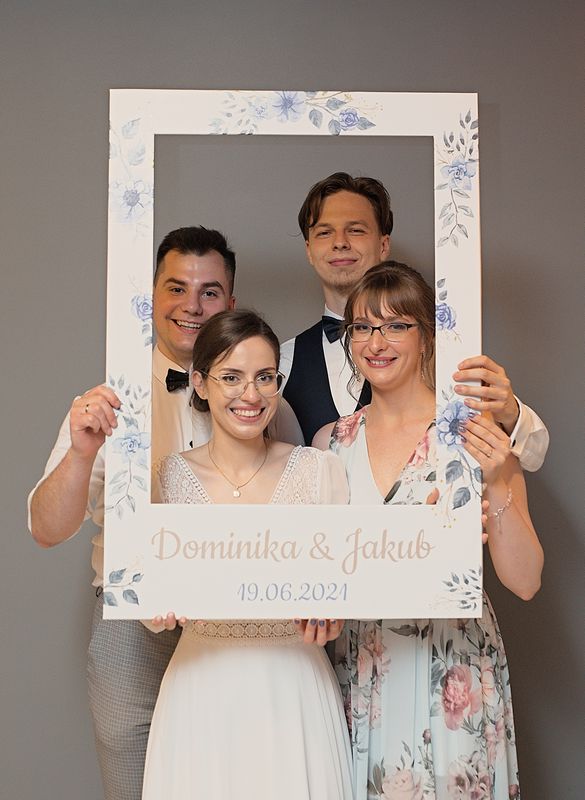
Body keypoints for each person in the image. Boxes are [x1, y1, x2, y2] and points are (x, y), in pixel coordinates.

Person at [27, 227, 303, 800]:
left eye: (209, 291)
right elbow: (46, 529)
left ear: (230, 301)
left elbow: (302, 513)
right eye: (176, 288)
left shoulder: (267, 404)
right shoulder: (107, 404)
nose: (191, 306)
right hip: (133, 627)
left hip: (243, 629)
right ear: (150, 295)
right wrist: (81, 452)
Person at [313, 262, 544, 799]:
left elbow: (526, 580)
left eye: (396, 325)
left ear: (427, 336)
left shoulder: (474, 437)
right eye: (363, 327)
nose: (377, 342)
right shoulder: (330, 444)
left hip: (452, 663)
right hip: (363, 665)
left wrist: (496, 481)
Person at [141, 309, 353, 799]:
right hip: (200, 692)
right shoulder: (166, 479)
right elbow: (151, 604)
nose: (251, 394)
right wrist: (155, 608)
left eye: (264, 377)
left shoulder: (320, 471)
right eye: (232, 377)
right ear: (200, 382)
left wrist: (333, 615)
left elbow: (342, 589)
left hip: (294, 689)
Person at [281, 171, 549, 472]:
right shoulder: (282, 361)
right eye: (324, 232)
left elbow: (534, 455)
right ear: (309, 250)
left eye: (355, 230)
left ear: (383, 245)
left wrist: (510, 413)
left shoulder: (438, 348)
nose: (340, 242)